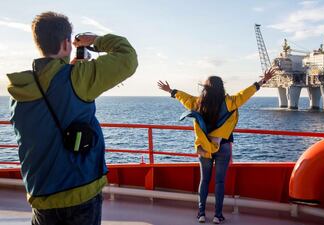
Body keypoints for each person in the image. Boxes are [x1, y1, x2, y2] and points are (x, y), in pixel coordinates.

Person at [7, 12, 138, 225]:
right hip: (80, 191)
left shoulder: (19, 91)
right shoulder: (78, 78)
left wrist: (69, 70)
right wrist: (95, 41)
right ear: (66, 44)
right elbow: (127, 57)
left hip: (41, 194)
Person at [157, 68, 275, 224]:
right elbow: (246, 93)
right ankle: (217, 216)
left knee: (204, 180)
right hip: (223, 146)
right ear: (222, 87)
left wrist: (171, 90)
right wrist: (263, 80)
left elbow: (183, 98)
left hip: (204, 147)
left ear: (206, 88)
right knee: (219, 182)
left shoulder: (197, 102)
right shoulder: (230, 102)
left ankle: (201, 214)